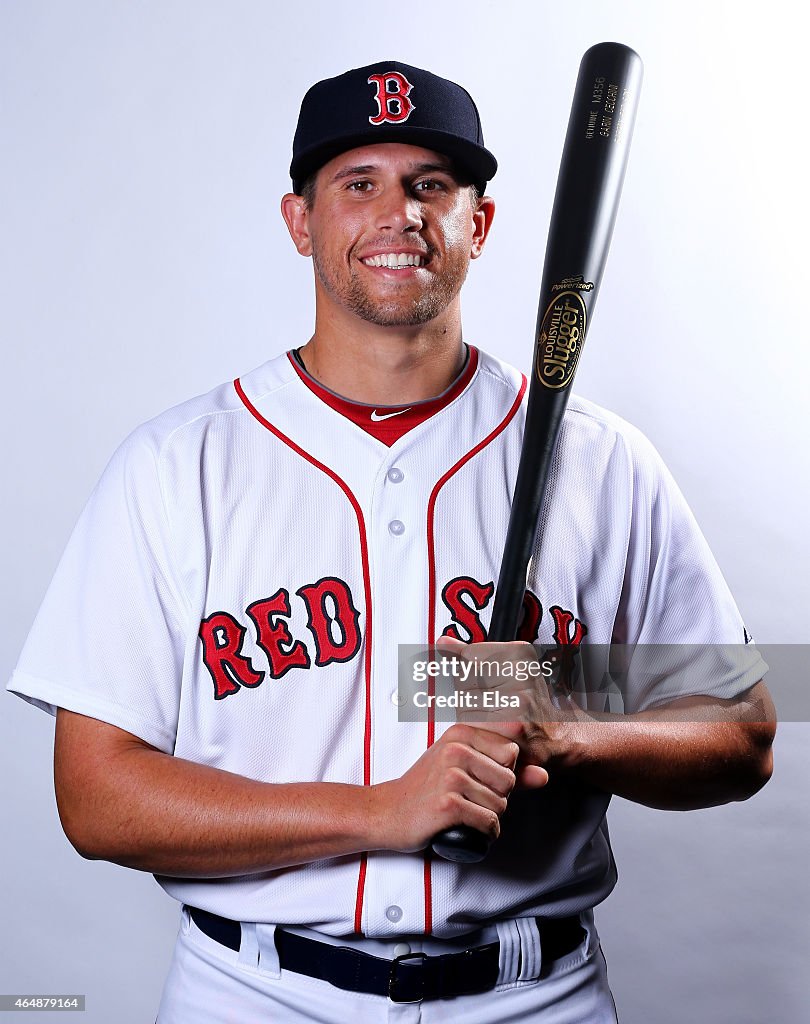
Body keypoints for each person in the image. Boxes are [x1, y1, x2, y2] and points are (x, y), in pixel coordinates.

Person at [7, 61, 775, 1023]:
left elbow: (744, 734)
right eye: (357, 183)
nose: (397, 214)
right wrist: (377, 811)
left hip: (532, 997)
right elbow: (96, 796)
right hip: (254, 995)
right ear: (300, 220)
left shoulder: (603, 461)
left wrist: (568, 725)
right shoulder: (175, 466)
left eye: (430, 185)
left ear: (477, 225)